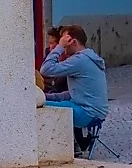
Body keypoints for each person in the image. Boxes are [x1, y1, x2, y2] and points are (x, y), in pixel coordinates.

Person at [40, 23, 111, 157]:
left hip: (87, 113)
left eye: (64, 40)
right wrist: (46, 97)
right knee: (45, 102)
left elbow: (46, 69)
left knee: (39, 108)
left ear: (73, 41)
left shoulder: (80, 60)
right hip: (93, 111)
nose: (62, 44)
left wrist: (60, 47)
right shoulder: (88, 58)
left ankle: (50, 152)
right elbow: (75, 94)